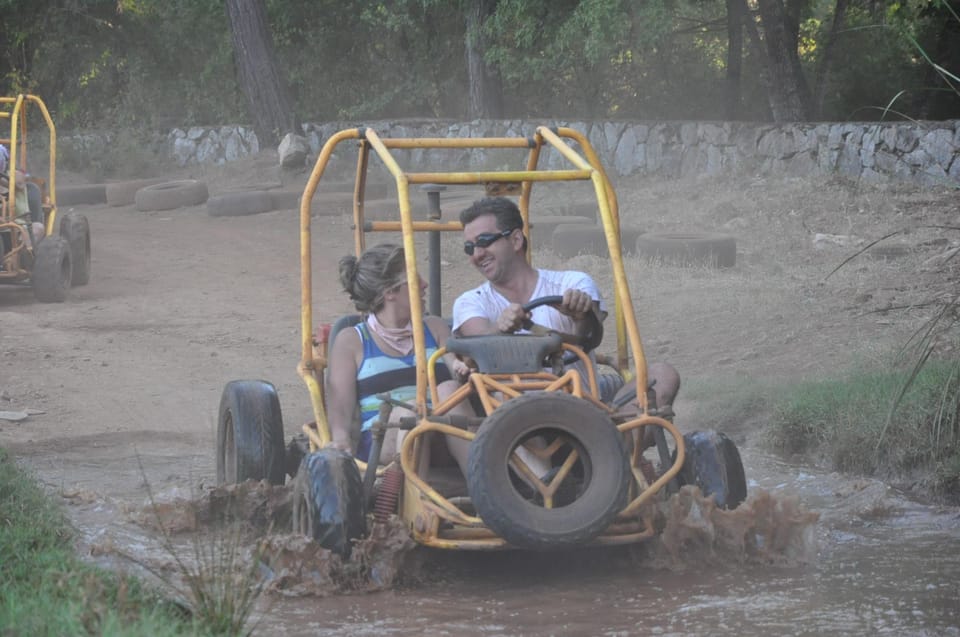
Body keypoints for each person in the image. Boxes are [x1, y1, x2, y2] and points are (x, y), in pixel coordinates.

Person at [452, 196, 680, 446]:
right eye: (469, 247)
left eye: (484, 242)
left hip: (584, 410)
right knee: (512, 406)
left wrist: (580, 316)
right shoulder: (471, 301)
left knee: (662, 374)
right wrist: (500, 327)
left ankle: (615, 460)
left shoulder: (572, 284)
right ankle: (599, 468)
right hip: (517, 422)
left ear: (516, 240)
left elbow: (590, 337)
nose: (476, 254)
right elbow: (477, 343)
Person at [326, 242, 473, 469]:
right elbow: (341, 409)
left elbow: (454, 364)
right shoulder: (352, 341)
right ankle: (414, 498)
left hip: (444, 432)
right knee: (410, 412)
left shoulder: (434, 327)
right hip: (385, 439)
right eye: (415, 280)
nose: (425, 285)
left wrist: (461, 370)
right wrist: (341, 440)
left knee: (448, 390)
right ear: (390, 292)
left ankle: (483, 490)